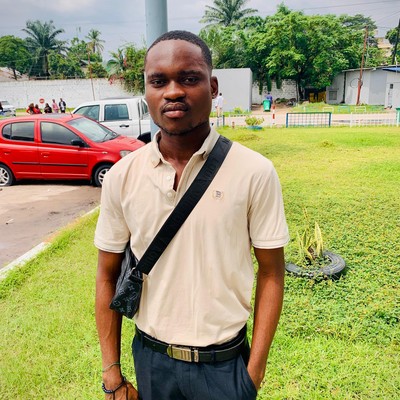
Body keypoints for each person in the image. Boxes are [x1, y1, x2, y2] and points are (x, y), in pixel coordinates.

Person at [95, 30, 289, 400]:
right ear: (147, 91)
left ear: (212, 87)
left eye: (188, 78)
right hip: (151, 361)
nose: (172, 92)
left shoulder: (254, 172)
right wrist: (111, 371)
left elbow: (271, 273)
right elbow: (107, 275)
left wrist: (254, 372)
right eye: (158, 81)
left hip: (225, 366)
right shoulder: (122, 176)